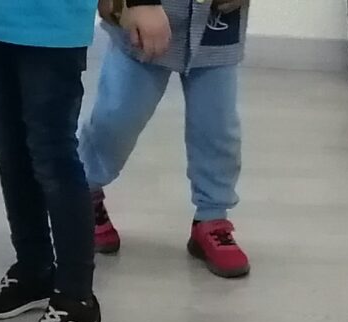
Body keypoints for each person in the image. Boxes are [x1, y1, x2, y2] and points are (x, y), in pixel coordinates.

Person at [0, 0, 103, 322]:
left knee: (53, 155)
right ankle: (34, 270)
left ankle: (77, 299)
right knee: (9, 148)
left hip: (54, 22)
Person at [84, 0, 251, 279]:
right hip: (143, 18)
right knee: (117, 118)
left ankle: (212, 217)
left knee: (217, 128)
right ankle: (84, 193)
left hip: (218, 23)